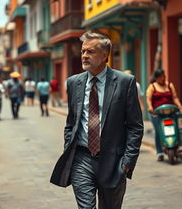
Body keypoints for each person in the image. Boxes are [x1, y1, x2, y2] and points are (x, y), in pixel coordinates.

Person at [50, 31, 144, 209]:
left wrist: (127, 163)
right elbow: (71, 123)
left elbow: (135, 126)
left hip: (114, 161)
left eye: (90, 52)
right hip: (81, 159)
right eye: (83, 51)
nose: (84, 56)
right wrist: (68, 148)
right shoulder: (73, 82)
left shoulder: (125, 82)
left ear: (105, 56)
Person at [146, 69, 182, 161]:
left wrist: (180, 107)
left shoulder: (170, 85)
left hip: (171, 111)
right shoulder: (152, 87)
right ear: (157, 78)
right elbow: (148, 99)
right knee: (159, 131)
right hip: (157, 113)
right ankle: (160, 152)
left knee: (176, 128)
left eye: (164, 76)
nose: (163, 78)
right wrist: (150, 107)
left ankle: (176, 147)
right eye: (161, 77)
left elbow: (175, 97)